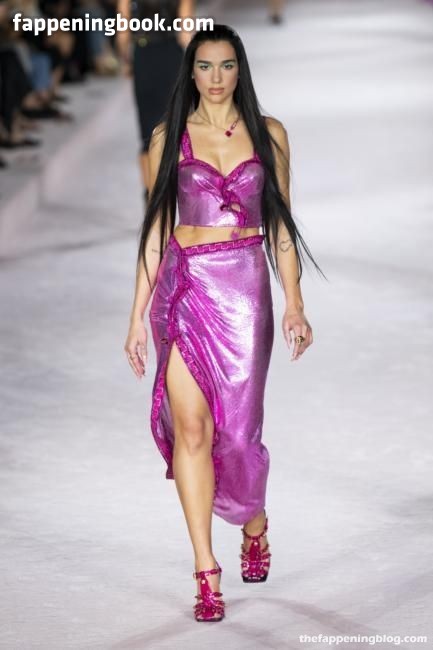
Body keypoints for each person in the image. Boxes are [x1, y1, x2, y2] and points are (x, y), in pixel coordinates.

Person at [124, 24, 325, 622]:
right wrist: (136, 316)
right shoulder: (168, 135)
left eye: (227, 65)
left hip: (244, 291)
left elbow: (281, 225)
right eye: (205, 66)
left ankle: (253, 521)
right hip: (184, 288)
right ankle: (205, 570)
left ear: (241, 70)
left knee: (237, 437)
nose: (216, 77)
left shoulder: (269, 134)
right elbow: (156, 229)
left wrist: (294, 302)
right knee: (192, 430)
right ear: (190, 72)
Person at [116, 0, 195, 203]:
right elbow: (186, 32)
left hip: (143, 57)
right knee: (175, 128)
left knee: (147, 133)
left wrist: (126, 61)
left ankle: (150, 195)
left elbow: (123, 33)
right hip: (172, 57)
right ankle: (173, 192)